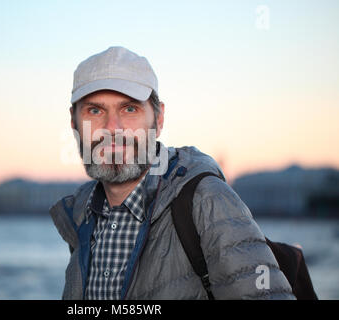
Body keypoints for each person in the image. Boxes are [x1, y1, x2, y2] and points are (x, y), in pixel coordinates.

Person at [49, 46, 295, 300]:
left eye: (130, 109)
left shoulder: (206, 200)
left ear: (158, 119)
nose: (113, 128)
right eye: (95, 110)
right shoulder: (80, 216)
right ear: (74, 122)